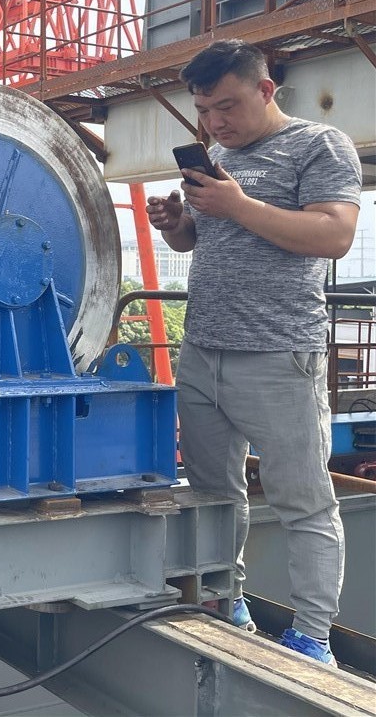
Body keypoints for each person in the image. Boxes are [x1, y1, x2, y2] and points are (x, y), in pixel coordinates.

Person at [146, 39, 361, 666]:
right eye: (203, 110)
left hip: (278, 356)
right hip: (203, 351)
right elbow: (202, 241)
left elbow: (335, 234)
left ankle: (313, 637)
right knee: (214, 495)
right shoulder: (216, 157)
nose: (215, 123)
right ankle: (226, 600)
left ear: (266, 90)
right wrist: (177, 224)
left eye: (227, 106)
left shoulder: (320, 145)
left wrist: (238, 204)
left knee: (304, 501)